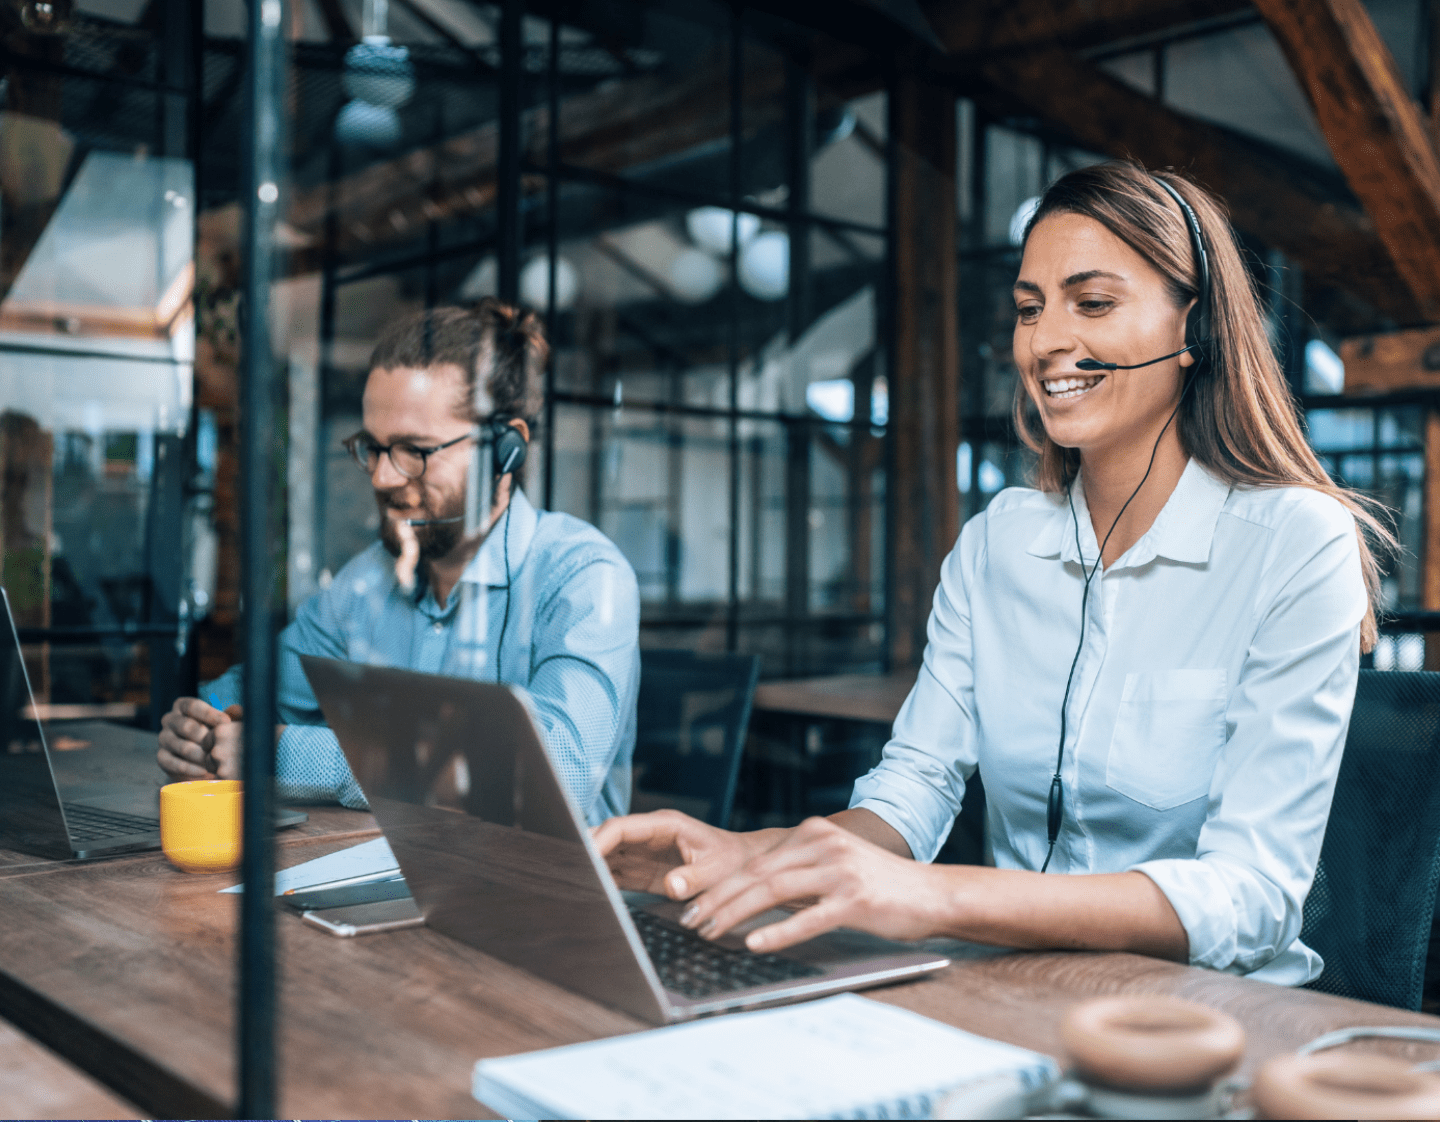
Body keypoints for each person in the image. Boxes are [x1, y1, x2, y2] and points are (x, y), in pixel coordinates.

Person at [595, 162, 1390, 983]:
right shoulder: (997, 544)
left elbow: (1251, 896)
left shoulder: (1296, 542)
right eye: (1029, 308)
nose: (1046, 341)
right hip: (1013, 988)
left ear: (1196, 331)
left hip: (1205, 1024)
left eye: (1094, 303)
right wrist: (752, 857)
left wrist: (934, 899)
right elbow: (913, 788)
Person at [158, 299, 641, 825]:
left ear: (506, 450)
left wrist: (287, 756)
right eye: (374, 446)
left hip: (542, 894)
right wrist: (198, 731)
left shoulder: (583, 577)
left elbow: (552, 777)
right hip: (386, 878)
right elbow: (253, 698)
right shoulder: (365, 581)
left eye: (415, 450)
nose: (383, 477)